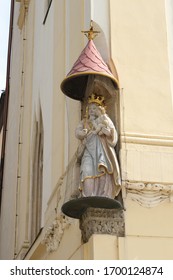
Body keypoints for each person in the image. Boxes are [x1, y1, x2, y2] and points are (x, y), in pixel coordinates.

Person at [75, 93, 121, 198]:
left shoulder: (104, 119)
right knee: (86, 170)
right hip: (88, 149)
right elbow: (77, 132)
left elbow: (112, 133)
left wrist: (105, 131)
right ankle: (88, 195)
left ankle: (103, 194)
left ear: (100, 109)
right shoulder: (85, 122)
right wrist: (82, 133)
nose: (92, 110)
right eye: (90, 108)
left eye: (94, 108)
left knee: (103, 169)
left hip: (101, 149)